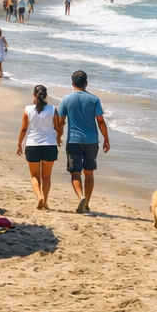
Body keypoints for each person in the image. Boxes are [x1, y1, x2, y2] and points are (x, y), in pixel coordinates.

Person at [58, 70, 110, 213]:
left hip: (73, 140)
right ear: (86, 83)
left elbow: (61, 121)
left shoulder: (66, 99)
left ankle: (80, 196)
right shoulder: (94, 99)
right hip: (91, 140)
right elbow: (100, 120)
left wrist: (58, 136)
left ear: (72, 83)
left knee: (75, 173)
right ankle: (86, 202)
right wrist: (106, 138)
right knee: (89, 172)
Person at [16, 84, 64, 209]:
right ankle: (46, 201)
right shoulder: (53, 109)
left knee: (34, 176)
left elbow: (24, 129)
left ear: (34, 95)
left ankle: (39, 197)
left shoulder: (27, 109)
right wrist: (58, 139)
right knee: (47, 177)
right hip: (50, 144)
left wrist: (19, 144)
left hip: (32, 144)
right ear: (46, 96)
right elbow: (57, 127)